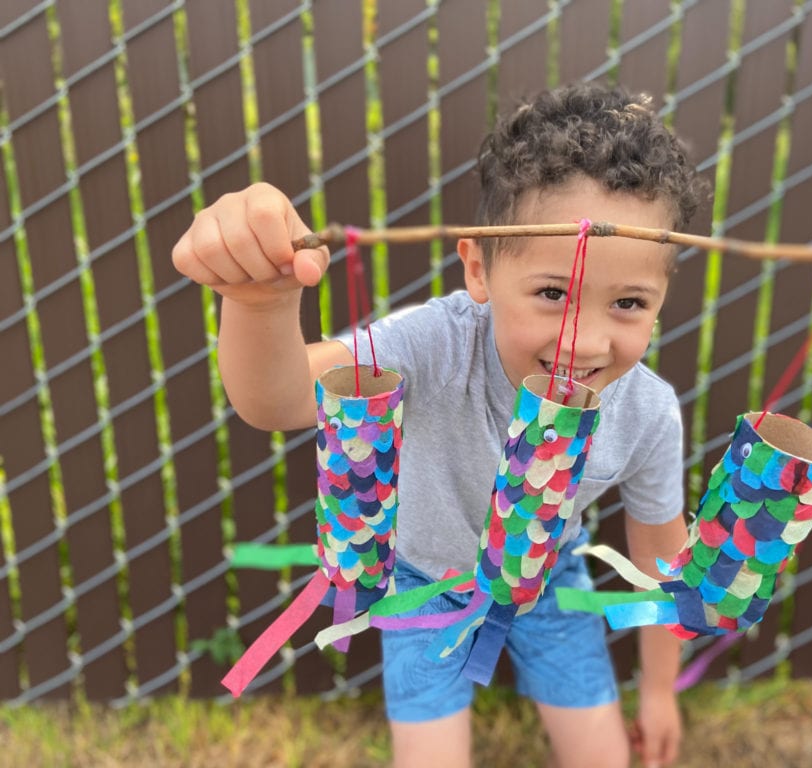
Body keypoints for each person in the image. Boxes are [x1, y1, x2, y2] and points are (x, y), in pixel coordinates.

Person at [173, 82, 709, 768]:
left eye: (629, 302)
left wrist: (659, 692)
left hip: (547, 583)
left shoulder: (647, 412)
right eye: (552, 294)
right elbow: (276, 400)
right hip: (424, 587)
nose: (585, 341)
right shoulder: (435, 344)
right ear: (479, 269)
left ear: (661, 303)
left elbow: (659, 559)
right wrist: (259, 302)